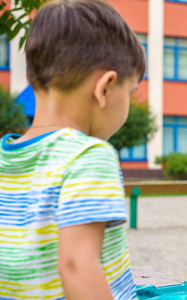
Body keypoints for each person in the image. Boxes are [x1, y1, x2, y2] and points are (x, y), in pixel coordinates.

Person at [0, 0, 146, 299]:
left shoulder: (6, 158)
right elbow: (77, 264)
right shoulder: (89, 155)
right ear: (105, 88)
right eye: (130, 93)